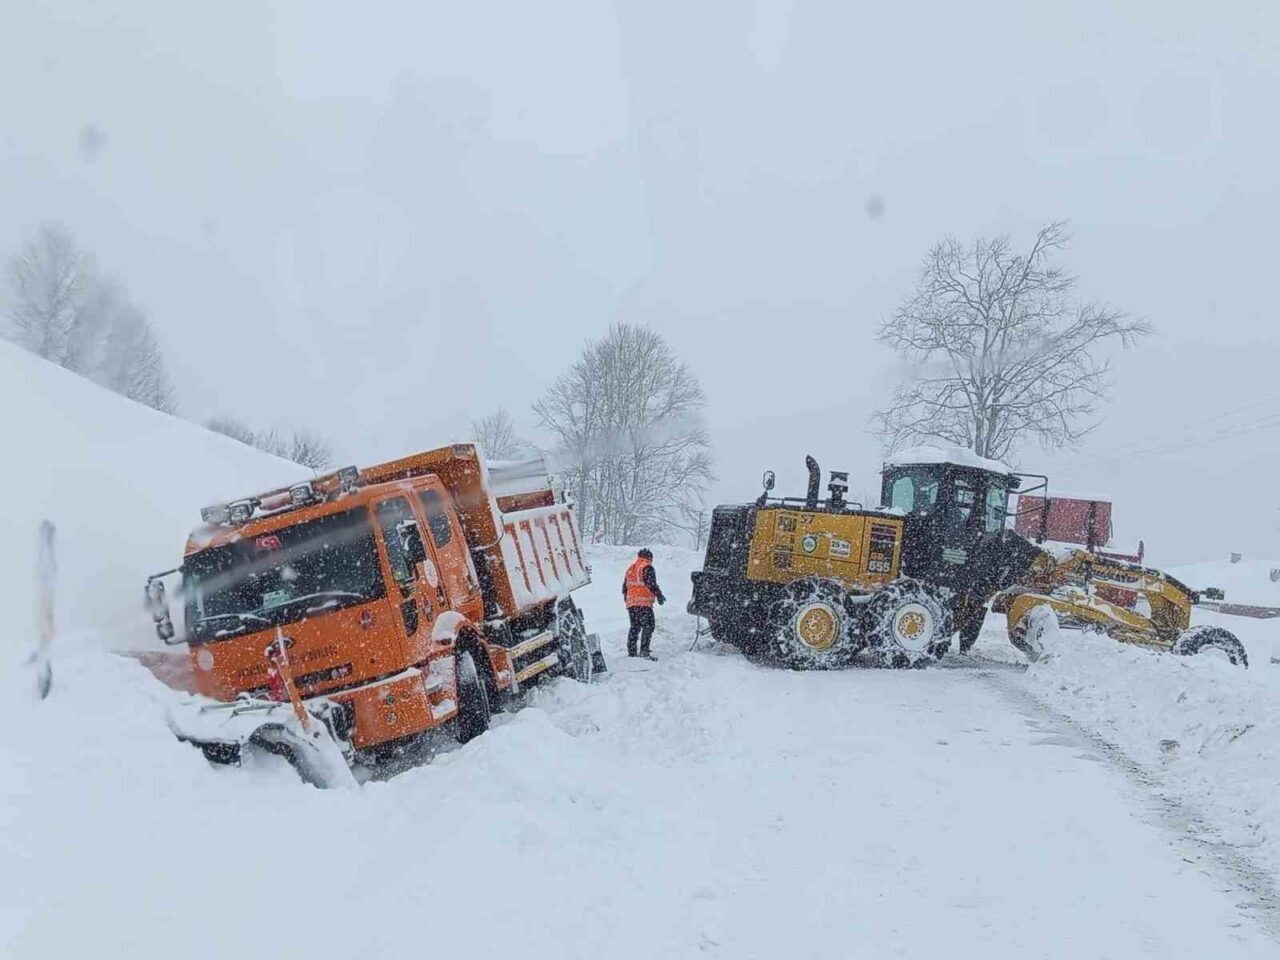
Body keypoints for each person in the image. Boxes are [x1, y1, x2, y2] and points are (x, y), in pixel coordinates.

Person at [623, 548, 665, 659]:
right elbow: (651, 584)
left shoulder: (631, 569)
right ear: (649, 557)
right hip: (643, 603)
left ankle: (632, 651)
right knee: (649, 626)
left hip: (631, 603)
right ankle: (644, 651)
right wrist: (659, 595)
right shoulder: (647, 567)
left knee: (635, 626)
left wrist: (629, 601)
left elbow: (625, 587)